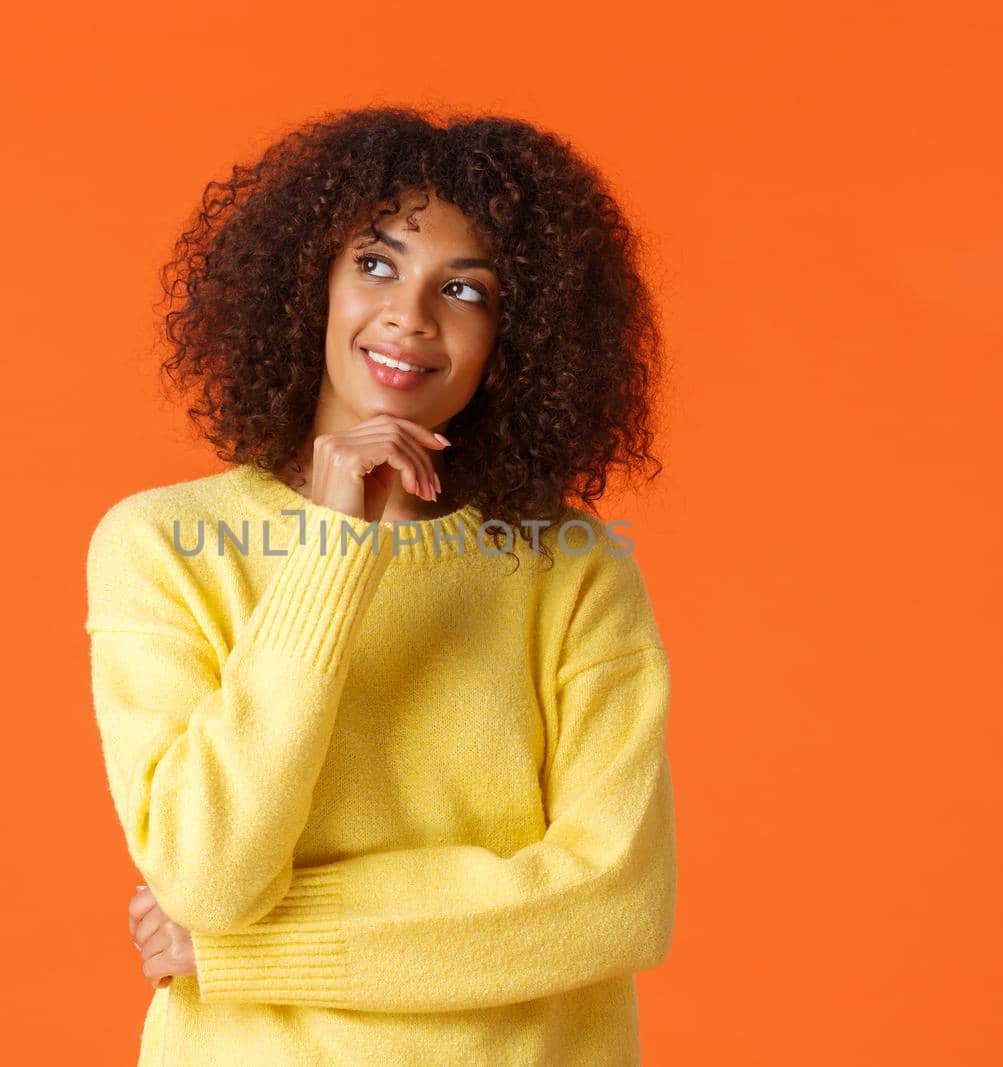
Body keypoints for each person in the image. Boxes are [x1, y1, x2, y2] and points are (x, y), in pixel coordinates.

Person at [84, 104, 676, 1066]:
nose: (410, 314)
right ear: (306, 284)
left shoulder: (572, 568)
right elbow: (205, 880)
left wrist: (250, 952)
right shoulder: (161, 548)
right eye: (376, 264)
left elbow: (613, 901)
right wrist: (331, 543)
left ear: (517, 338)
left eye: (467, 290)